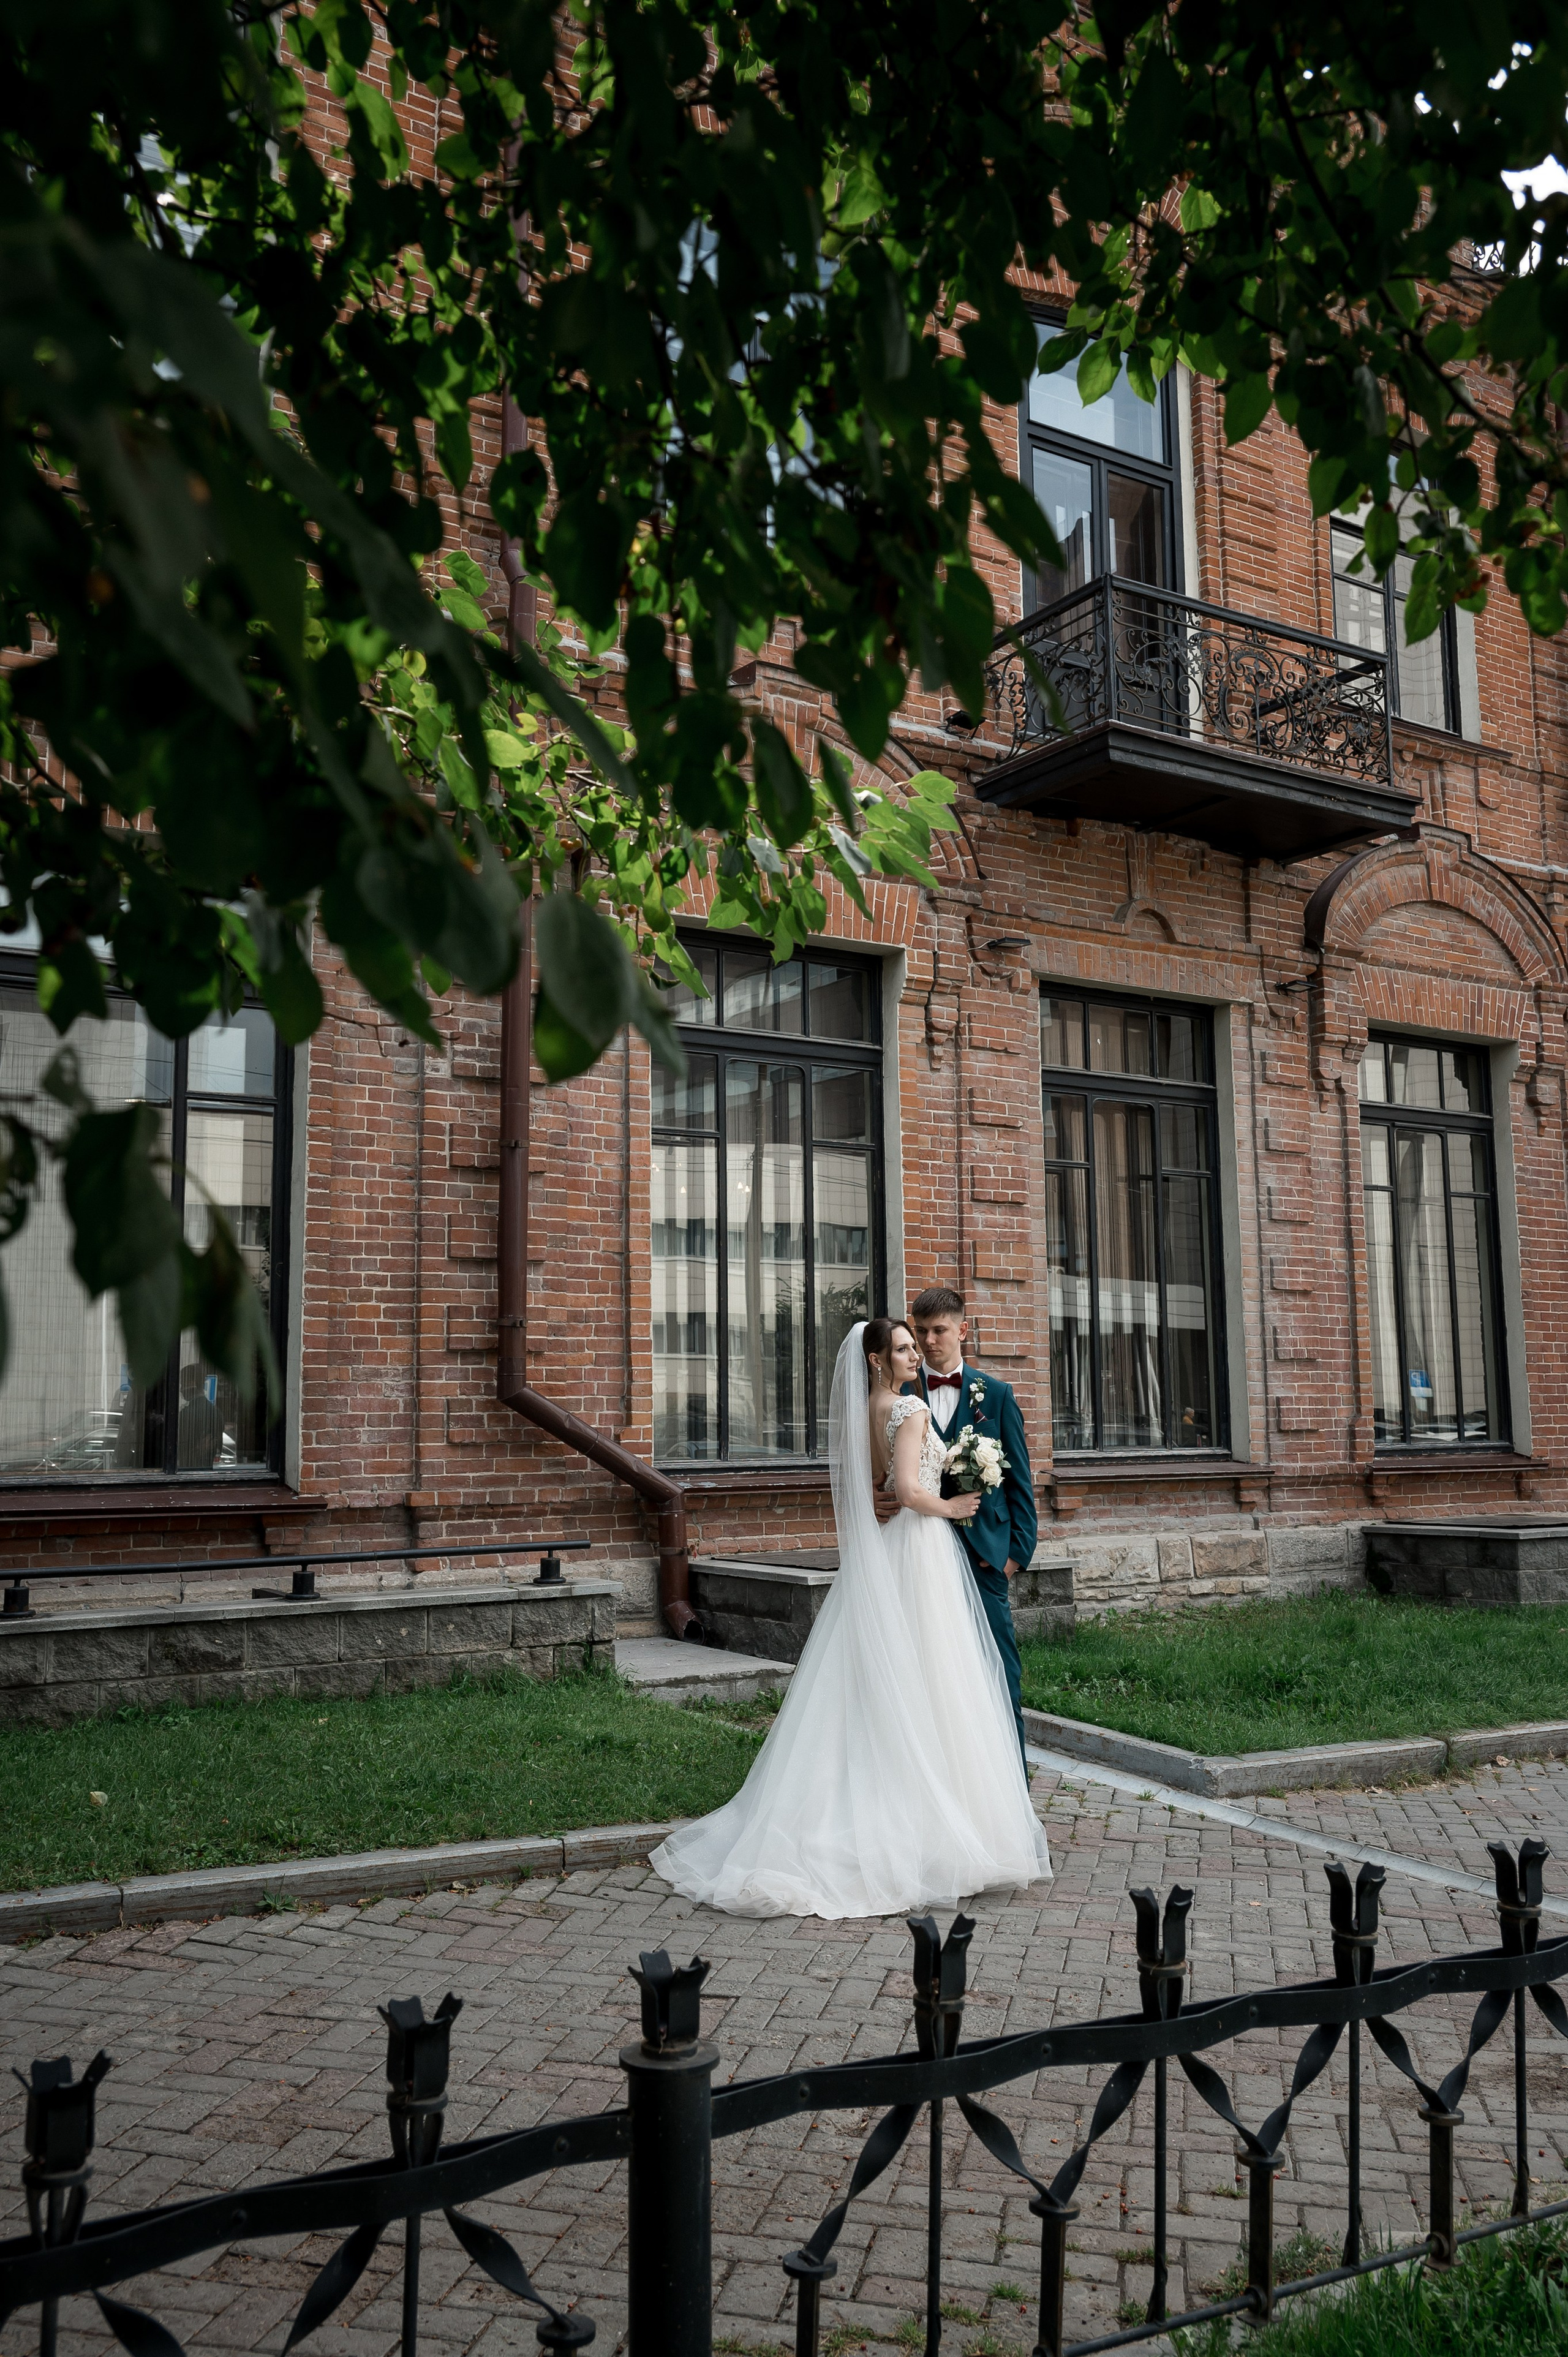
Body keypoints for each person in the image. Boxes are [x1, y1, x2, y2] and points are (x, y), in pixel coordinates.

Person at [649, 1318, 1050, 1920]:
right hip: (918, 1547)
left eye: (918, 1344)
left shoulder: (868, 1407)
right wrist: (952, 1503)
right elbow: (911, 1490)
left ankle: (879, 1794)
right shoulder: (910, 1408)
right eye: (904, 1347)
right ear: (876, 1357)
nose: (916, 1353)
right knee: (932, 1674)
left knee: (878, 1674)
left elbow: (871, 1485)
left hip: (885, 1550)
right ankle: (934, 1819)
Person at [878, 1286, 1034, 1768]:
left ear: (962, 1330)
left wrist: (1012, 1558)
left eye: (938, 1330)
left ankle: (1014, 1790)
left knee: (997, 1673)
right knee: (928, 1678)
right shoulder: (900, 1394)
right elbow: (882, 1472)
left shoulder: (998, 1395)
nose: (927, 1341)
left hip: (983, 1556)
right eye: (919, 1332)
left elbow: (1020, 1483)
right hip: (920, 1559)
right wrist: (874, 1499)